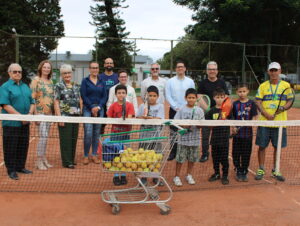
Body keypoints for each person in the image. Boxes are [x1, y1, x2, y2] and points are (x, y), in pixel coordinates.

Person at [254, 62, 293, 182]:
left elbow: (290, 101)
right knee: (262, 146)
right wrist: (265, 114)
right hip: (264, 123)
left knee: (278, 147)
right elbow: (258, 101)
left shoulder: (286, 86)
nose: (274, 73)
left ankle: (276, 169)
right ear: (268, 72)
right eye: (271, 70)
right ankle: (261, 168)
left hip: (280, 123)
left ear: (280, 71)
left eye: (276, 70)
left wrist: (282, 108)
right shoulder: (263, 86)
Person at [0, 63, 34, 180]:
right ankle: (11, 170)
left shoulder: (25, 86)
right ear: (9, 73)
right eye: (15, 72)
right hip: (11, 124)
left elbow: (32, 102)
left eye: (19, 71)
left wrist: (29, 115)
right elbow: (5, 105)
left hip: (25, 122)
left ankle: (20, 167)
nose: (18, 73)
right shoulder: (5, 87)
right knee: (11, 147)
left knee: (23, 146)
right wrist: (21, 117)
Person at [197, 61, 229, 163]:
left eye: (214, 69)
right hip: (206, 113)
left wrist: (219, 109)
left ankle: (218, 153)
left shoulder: (222, 82)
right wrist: (208, 109)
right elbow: (199, 97)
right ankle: (205, 153)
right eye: (210, 69)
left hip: (219, 113)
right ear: (207, 71)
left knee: (219, 134)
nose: (212, 71)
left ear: (217, 71)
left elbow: (226, 96)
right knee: (205, 136)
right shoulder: (202, 83)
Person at [173, 88, 205, 186]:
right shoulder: (181, 109)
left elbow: (202, 125)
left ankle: (189, 175)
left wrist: (197, 125)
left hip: (194, 140)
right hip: (183, 140)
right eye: (189, 97)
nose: (191, 99)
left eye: (193, 98)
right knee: (180, 159)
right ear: (185, 98)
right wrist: (184, 126)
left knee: (192, 159)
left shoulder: (199, 111)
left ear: (196, 99)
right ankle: (177, 176)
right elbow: (175, 122)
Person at [165, 61, 195, 160]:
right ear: (175, 69)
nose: (180, 68)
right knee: (173, 132)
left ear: (185, 68)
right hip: (174, 110)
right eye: (178, 67)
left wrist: (185, 107)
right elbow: (168, 95)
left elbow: (192, 95)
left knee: (186, 131)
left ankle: (185, 152)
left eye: (182, 67)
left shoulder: (190, 81)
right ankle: (173, 152)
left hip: (187, 110)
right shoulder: (170, 81)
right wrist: (175, 107)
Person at [54, 64, 82, 169]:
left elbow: (79, 100)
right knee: (65, 139)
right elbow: (56, 101)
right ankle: (66, 161)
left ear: (71, 73)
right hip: (64, 116)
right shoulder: (58, 86)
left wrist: (81, 113)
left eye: (69, 72)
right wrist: (59, 117)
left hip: (75, 116)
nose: (67, 75)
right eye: (65, 73)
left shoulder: (76, 85)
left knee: (73, 138)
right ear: (61, 74)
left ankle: (71, 159)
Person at [136, 85, 165, 186]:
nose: (152, 97)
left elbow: (160, 119)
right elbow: (137, 117)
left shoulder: (160, 106)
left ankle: (155, 176)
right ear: (146, 96)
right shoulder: (142, 106)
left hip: (156, 138)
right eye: (150, 95)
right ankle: (143, 177)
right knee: (143, 158)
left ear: (157, 96)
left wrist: (148, 118)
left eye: (154, 95)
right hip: (144, 137)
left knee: (156, 157)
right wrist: (142, 117)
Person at [107, 84, 135, 186]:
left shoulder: (129, 105)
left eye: (123, 93)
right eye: (119, 93)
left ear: (126, 94)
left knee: (124, 154)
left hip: (125, 135)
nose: (121, 95)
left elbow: (130, 117)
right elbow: (109, 117)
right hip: (115, 134)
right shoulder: (113, 106)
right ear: (115, 94)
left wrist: (125, 118)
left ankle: (123, 174)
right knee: (115, 155)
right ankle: (115, 175)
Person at [80, 61, 107, 165]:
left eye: (96, 68)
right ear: (89, 69)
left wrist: (99, 107)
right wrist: (91, 107)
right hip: (88, 108)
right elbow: (84, 95)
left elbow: (104, 96)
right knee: (88, 133)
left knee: (96, 133)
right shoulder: (85, 81)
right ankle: (86, 155)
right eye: (93, 68)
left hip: (100, 109)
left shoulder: (102, 81)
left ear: (98, 69)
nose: (95, 70)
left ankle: (94, 154)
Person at [30, 60, 55, 170]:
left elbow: (52, 99)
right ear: (41, 68)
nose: (46, 69)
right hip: (40, 113)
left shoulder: (51, 82)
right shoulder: (36, 80)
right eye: (44, 67)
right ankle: (39, 160)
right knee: (43, 137)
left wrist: (53, 114)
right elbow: (33, 98)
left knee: (46, 137)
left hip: (49, 114)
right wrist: (36, 114)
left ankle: (43, 158)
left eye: (48, 67)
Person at [231, 84, 258, 182]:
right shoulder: (235, 104)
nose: (242, 93)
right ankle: (238, 169)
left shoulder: (252, 104)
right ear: (236, 92)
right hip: (237, 135)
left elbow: (255, 116)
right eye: (240, 91)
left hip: (248, 135)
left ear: (248, 92)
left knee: (246, 154)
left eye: (244, 91)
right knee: (236, 153)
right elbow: (232, 117)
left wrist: (253, 122)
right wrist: (233, 127)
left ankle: (244, 171)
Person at [206, 88, 230, 185]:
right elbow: (208, 125)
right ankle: (216, 173)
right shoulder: (211, 111)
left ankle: (225, 176)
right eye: (217, 97)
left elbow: (232, 121)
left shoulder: (228, 110)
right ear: (214, 98)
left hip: (224, 139)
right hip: (215, 139)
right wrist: (216, 122)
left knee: (224, 158)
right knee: (215, 158)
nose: (219, 99)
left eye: (221, 97)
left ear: (224, 97)